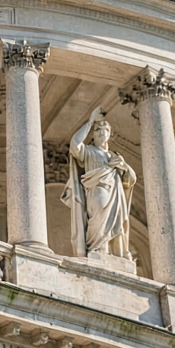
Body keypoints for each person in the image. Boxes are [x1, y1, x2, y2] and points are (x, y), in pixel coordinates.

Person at [63, 107, 136, 258]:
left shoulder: (114, 156)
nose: (101, 132)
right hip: (98, 190)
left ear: (109, 134)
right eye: (97, 130)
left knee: (117, 224)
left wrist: (123, 166)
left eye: (105, 130)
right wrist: (90, 121)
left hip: (115, 194)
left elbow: (131, 179)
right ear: (92, 134)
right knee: (98, 220)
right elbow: (75, 144)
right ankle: (97, 250)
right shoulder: (89, 151)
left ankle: (114, 254)